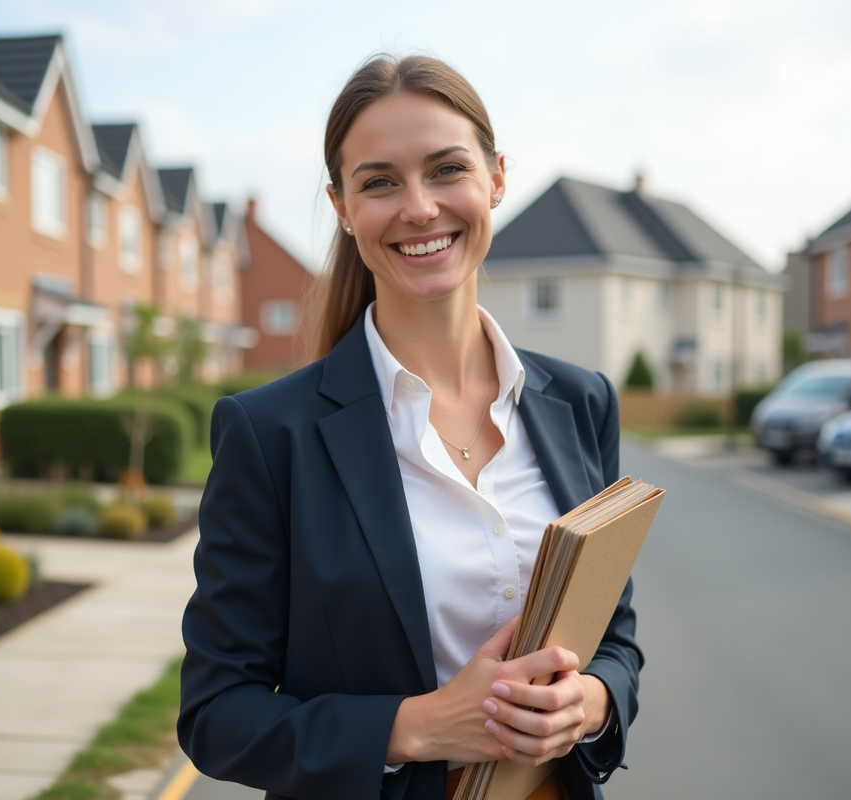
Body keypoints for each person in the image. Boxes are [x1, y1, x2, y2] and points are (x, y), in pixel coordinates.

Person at [178, 54, 642, 800]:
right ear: (341, 206)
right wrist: (417, 726)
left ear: (495, 177)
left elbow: (613, 637)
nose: (420, 208)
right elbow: (214, 716)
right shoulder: (271, 435)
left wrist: (589, 704)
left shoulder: (581, 404)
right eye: (380, 182)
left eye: (446, 169)